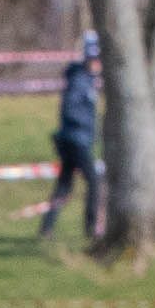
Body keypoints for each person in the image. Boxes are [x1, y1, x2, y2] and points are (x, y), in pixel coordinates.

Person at [37, 41, 104, 246]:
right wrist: (88, 128)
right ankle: (90, 228)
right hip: (76, 141)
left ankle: (46, 228)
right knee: (94, 181)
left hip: (78, 139)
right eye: (94, 60)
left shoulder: (87, 79)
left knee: (64, 186)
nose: (97, 64)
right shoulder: (79, 80)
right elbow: (71, 110)